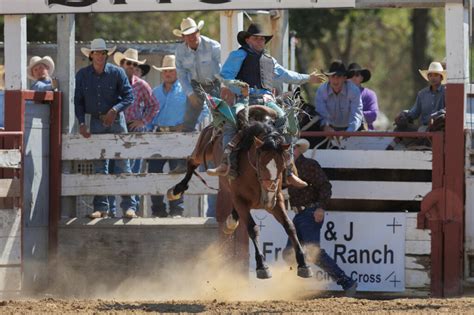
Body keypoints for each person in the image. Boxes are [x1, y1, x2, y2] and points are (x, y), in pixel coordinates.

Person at [207, 23, 321, 188]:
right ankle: (226, 162)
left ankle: (289, 170)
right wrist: (239, 86)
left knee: (286, 121)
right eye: (256, 38)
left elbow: (286, 74)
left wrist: (308, 78)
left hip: (267, 100)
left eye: (262, 39)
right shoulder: (238, 55)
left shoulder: (270, 60)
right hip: (245, 99)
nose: (260, 41)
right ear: (247, 40)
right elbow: (225, 76)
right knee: (232, 120)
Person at [283, 138, 358, 294]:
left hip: (310, 212)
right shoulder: (287, 169)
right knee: (289, 253)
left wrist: (321, 208)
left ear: (298, 149)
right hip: (299, 214)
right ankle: (293, 286)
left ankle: (346, 282)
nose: (289, 152)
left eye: (292, 148)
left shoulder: (309, 165)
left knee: (310, 252)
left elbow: (325, 186)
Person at [74, 38, 138, 219]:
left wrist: (114, 110)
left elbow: (129, 96)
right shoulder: (82, 75)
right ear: (91, 55)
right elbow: (78, 101)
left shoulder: (117, 73)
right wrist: (81, 122)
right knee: (99, 165)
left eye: (103, 53)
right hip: (95, 121)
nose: (100, 56)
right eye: (97, 53)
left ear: (106, 55)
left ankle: (128, 207)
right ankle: (102, 208)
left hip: (116, 120)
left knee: (122, 163)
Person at [148, 55, 187, 217]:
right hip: (158, 135)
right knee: (153, 172)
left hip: (177, 135)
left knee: (176, 173)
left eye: (171, 70)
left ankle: (176, 209)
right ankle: (158, 210)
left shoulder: (186, 90)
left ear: (177, 72)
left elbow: (202, 109)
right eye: (165, 71)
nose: (168, 73)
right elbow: (149, 114)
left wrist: (186, 125)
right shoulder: (155, 92)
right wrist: (147, 133)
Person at [174, 17, 222, 131]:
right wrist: (190, 93)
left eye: (193, 33)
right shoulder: (180, 51)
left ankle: (221, 141)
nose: (191, 37)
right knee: (189, 120)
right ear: (183, 37)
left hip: (215, 83)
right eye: (187, 34)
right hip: (195, 86)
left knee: (221, 116)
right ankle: (187, 145)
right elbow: (181, 74)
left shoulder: (213, 46)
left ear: (198, 32)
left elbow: (224, 66)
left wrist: (224, 87)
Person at [315, 60, 364, 133]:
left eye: (339, 76)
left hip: (353, 129)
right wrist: (325, 126)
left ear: (345, 78)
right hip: (329, 129)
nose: (335, 79)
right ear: (328, 77)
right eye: (333, 76)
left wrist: (349, 132)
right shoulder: (321, 91)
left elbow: (356, 116)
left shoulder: (353, 91)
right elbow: (321, 114)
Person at [397, 61, 446, 128]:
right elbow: (414, 112)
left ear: (441, 78)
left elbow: (448, 109)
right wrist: (404, 114)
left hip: (441, 128)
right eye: (430, 75)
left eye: (436, 75)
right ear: (428, 77)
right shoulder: (422, 94)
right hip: (424, 128)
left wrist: (435, 116)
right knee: (400, 128)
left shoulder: (446, 92)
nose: (433, 78)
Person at [347, 63, 378, 130]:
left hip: (365, 136)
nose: (353, 77)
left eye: (357, 74)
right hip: (343, 135)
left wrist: (355, 115)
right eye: (350, 75)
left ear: (362, 78)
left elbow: (373, 114)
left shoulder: (369, 94)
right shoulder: (340, 95)